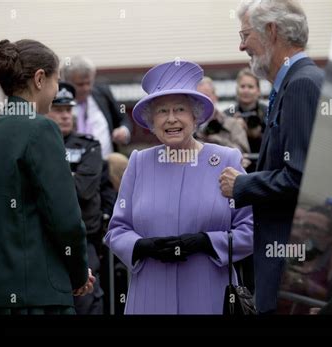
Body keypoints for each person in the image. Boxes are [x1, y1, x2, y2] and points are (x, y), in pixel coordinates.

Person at [105, 61, 253, 314]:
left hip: (209, 294)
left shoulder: (226, 159)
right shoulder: (139, 163)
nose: (171, 119)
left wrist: (206, 242)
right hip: (149, 296)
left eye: (180, 109)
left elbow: (251, 229)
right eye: (162, 111)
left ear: (195, 116)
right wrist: (142, 247)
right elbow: (117, 230)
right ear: (152, 121)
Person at [219, 0, 324, 314]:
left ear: (272, 31)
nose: (241, 46)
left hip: (289, 267)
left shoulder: (302, 84)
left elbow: (300, 177)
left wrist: (243, 184)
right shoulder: (297, 82)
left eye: (245, 34)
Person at [0, 39, 95, 315]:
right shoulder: (41, 129)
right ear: (40, 78)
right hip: (40, 297)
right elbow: (64, 219)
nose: (57, 92)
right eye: (57, 81)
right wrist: (78, 274)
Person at [46, 81, 106, 314]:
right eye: (58, 110)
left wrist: (51, 179)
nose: (65, 116)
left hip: (84, 238)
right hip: (47, 240)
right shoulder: (39, 145)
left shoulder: (89, 145)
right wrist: (69, 174)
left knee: (87, 301)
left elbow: (84, 189)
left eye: (68, 110)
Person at [61, 56, 132, 158]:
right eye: (80, 84)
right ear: (67, 82)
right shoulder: (58, 103)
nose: (86, 88)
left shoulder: (103, 94)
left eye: (89, 83)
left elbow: (123, 119)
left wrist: (124, 131)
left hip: (107, 166)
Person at [195, 77, 250, 155]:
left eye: (206, 96)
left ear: (215, 97)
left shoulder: (232, 124)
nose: (203, 101)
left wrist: (219, 141)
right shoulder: (188, 126)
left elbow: (243, 154)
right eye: (198, 97)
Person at [225, 68, 265, 156]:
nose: (246, 91)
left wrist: (257, 135)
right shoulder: (227, 115)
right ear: (237, 90)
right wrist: (234, 128)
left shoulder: (268, 112)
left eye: (250, 87)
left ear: (258, 91)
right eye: (242, 86)